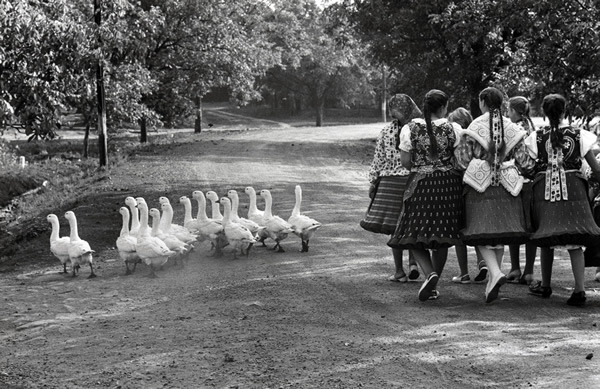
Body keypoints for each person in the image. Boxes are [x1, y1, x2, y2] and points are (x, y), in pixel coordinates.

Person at [455, 87, 532, 303]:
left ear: (482, 102)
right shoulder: (512, 127)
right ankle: (492, 279)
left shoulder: (474, 126)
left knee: (478, 231)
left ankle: (495, 273)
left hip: (480, 187)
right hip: (508, 186)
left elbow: (461, 161)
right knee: (499, 234)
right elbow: (525, 162)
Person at [387, 89, 464, 301]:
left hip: (420, 183)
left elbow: (405, 162)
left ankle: (429, 273)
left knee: (411, 232)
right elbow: (460, 159)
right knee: (442, 234)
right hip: (448, 186)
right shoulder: (453, 129)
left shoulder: (409, 128)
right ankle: (433, 282)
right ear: (444, 107)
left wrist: (424, 166)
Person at [527, 94, 600, 306]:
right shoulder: (579, 135)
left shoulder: (536, 137)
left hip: (545, 191)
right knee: (574, 239)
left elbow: (526, 166)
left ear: (544, 112)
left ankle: (546, 285)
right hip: (574, 190)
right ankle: (579, 290)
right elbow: (595, 168)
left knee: (547, 236)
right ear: (565, 110)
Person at [361, 94, 422, 283]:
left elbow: (378, 159)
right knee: (412, 224)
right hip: (412, 180)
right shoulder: (418, 129)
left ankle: (399, 272)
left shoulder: (386, 131)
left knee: (395, 228)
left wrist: (373, 182)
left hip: (389, 184)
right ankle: (414, 263)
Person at [447, 107, 487, 284]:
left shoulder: (455, 138)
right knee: (475, 226)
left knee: (459, 230)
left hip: (458, 185)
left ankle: (463, 273)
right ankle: (482, 262)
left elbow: (457, 163)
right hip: (476, 185)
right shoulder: (475, 136)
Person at [506, 96, 539, 285]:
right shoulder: (532, 128)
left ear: (514, 111)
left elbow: (516, 156)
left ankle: (514, 268)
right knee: (530, 225)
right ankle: (529, 271)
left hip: (516, 180)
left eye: (509, 110)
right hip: (532, 182)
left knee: (515, 224)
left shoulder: (514, 129)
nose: (507, 114)